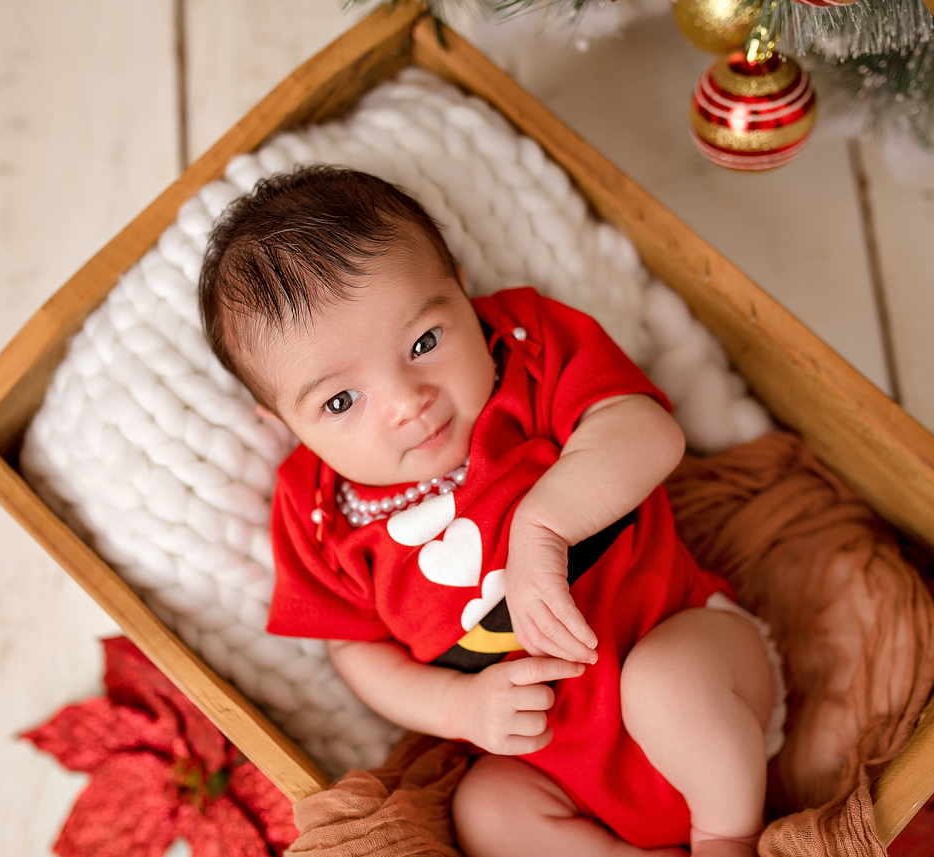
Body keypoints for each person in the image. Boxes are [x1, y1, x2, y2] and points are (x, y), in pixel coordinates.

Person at [198, 165, 782, 857]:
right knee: (485, 809)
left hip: (696, 656)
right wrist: (456, 707)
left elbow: (647, 431)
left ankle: (727, 838)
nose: (407, 401)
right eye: (340, 401)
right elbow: (355, 649)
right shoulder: (317, 512)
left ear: (463, 291)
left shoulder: (527, 350)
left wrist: (546, 524)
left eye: (424, 342)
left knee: (666, 685)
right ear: (283, 422)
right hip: (558, 768)